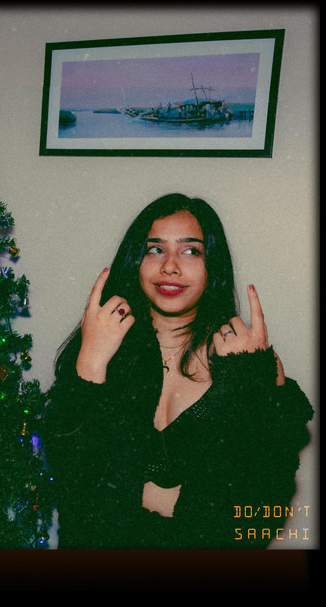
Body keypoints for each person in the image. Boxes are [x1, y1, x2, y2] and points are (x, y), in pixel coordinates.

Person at [43, 193, 313, 549]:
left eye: (190, 251)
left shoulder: (246, 359)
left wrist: (246, 379)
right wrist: (91, 363)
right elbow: (72, 481)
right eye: (155, 249)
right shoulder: (100, 345)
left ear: (212, 265)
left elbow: (262, 505)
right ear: (136, 261)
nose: (170, 266)